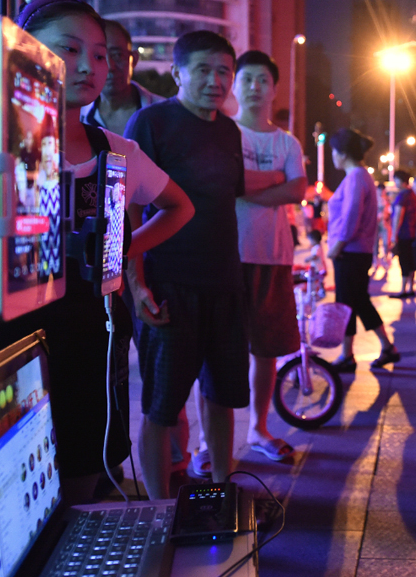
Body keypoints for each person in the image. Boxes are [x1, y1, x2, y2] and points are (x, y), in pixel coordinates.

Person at [0, 0, 195, 507]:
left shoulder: (120, 151)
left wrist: (117, 253)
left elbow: (178, 207)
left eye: (100, 54)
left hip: (92, 336)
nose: (88, 66)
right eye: (68, 49)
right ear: (23, 55)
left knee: (80, 484)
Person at [125, 31, 286, 498]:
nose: (216, 81)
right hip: (170, 282)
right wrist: (136, 286)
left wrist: (287, 178)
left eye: (224, 72)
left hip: (225, 282)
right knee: (161, 406)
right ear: (177, 73)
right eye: (204, 70)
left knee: (222, 398)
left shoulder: (229, 129)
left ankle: (219, 489)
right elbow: (131, 209)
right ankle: (157, 509)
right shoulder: (150, 123)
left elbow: (231, 193)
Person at [232, 49, 306, 462]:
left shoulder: (286, 141)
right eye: (247, 79)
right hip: (227, 257)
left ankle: (259, 429)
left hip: (273, 258)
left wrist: (246, 186)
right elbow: (227, 182)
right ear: (235, 85)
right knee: (222, 351)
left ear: (275, 88)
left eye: (263, 80)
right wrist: (275, 179)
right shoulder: (224, 133)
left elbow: (298, 190)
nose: (255, 87)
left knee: (266, 351)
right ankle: (211, 443)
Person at [326, 128, 398, 372]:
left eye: (333, 151)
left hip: (350, 252)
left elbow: (350, 216)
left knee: (346, 304)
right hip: (357, 251)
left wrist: (336, 247)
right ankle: (387, 347)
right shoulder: (360, 176)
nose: (332, 156)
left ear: (343, 153)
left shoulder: (356, 176)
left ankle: (347, 356)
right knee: (358, 301)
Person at [79, 19, 164, 136]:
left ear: (133, 59)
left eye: (118, 55)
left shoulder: (164, 114)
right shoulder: (76, 116)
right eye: (99, 57)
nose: (110, 66)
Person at [389, 169, 416, 298]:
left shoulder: (402, 195)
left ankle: (403, 290)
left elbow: (398, 216)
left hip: (403, 234)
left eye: (395, 179)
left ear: (401, 181)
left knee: (404, 261)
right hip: (413, 233)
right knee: (411, 261)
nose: (394, 182)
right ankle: (411, 288)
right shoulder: (413, 195)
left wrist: (393, 235)